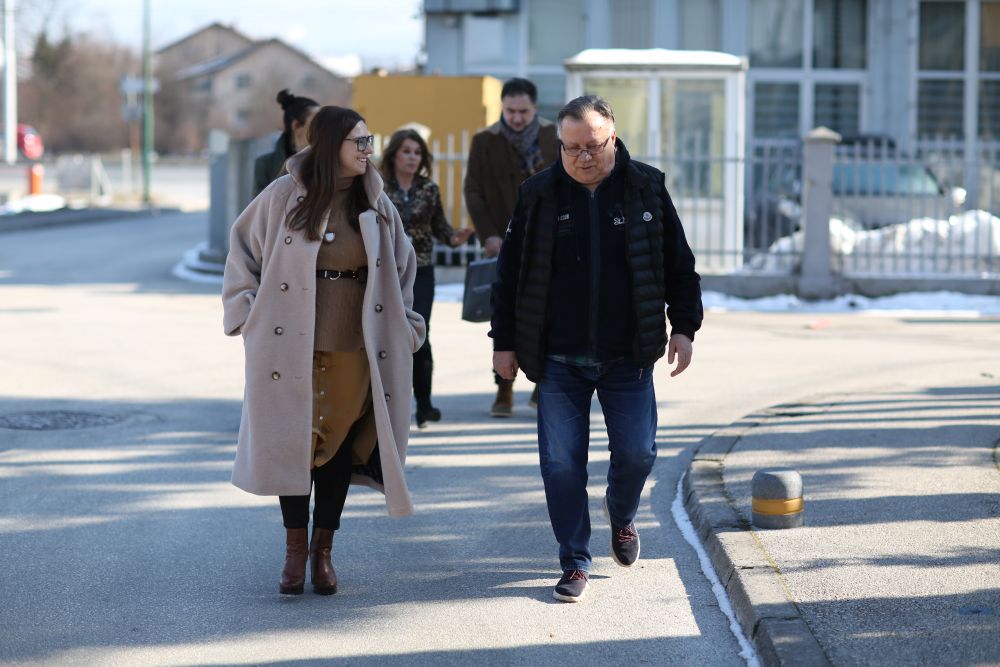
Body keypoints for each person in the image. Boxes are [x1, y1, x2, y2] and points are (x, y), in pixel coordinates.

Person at [490, 96, 703, 603]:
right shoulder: (538, 194)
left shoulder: (646, 186)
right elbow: (509, 275)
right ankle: (574, 561)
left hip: (628, 353)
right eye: (571, 148)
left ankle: (622, 514)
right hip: (558, 358)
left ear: (613, 137)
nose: (582, 157)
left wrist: (684, 327)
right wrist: (504, 342)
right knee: (562, 465)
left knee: (637, 453)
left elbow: (678, 263)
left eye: (592, 145)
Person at [223, 106, 426, 596]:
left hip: (354, 347)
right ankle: (294, 552)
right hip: (287, 344)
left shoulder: (374, 200)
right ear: (332, 143)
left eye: (369, 140)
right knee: (292, 447)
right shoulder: (283, 195)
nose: (368, 150)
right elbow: (242, 250)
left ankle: (323, 551)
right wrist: (246, 313)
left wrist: (407, 326)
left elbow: (403, 267)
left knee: (335, 450)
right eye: (359, 141)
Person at [463, 77, 559, 418]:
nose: (516, 118)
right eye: (510, 111)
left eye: (523, 111)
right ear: (502, 108)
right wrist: (488, 234)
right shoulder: (485, 140)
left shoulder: (553, 136)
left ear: (535, 108)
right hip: (503, 239)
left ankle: (541, 384)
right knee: (505, 314)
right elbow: (473, 190)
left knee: (549, 312)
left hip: (548, 239)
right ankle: (503, 387)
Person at [380, 128, 474, 428]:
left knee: (419, 333)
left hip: (421, 270)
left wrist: (455, 238)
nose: (412, 157)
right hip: (386, 272)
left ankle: (424, 405)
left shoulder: (429, 189)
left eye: (418, 152)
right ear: (394, 155)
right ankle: (385, 403)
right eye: (406, 151)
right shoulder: (378, 187)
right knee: (384, 335)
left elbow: (439, 227)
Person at [252, 89, 320, 196]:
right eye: (317, 124)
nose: (324, 129)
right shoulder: (265, 165)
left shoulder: (329, 160)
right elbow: (259, 206)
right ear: (296, 126)